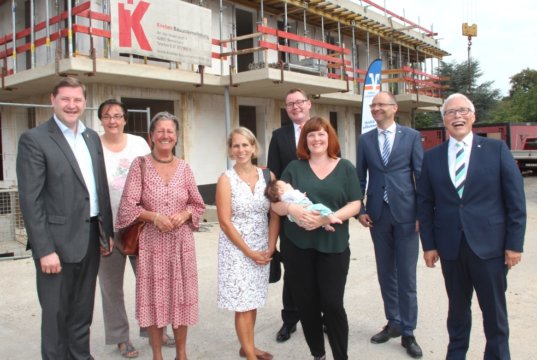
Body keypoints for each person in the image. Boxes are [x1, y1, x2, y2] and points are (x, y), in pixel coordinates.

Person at [417, 93, 526, 359]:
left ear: (473, 116)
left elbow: (515, 201)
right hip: (451, 249)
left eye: (463, 110)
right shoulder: (431, 158)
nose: (457, 116)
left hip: (490, 248)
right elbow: (425, 204)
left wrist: (514, 244)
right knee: (457, 312)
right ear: (443, 120)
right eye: (451, 112)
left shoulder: (495, 150)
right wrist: (429, 245)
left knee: (494, 314)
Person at [16, 76, 114, 359]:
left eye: (77, 100)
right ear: (52, 100)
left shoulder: (91, 136)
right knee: (56, 316)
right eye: (65, 99)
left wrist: (104, 231)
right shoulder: (34, 140)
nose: (72, 105)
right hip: (56, 247)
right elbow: (30, 200)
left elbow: (98, 188)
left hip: (90, 237)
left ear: (84, 102)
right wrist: (44, 249)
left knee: (82, 313)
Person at [115, 111, 206, 360]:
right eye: (160, 131)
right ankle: (157, 355)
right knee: (154, 301)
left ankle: (181, 354)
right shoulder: (140, 165)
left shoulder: (185, 167)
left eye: (170, 131)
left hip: (181, 245)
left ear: (176, 137)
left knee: (181, 298)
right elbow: (127, 207)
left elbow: (198, 204)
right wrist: (154, 217)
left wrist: (185, 215)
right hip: (152, 244)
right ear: (151, 136)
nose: (165, 135)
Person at [271, 116, 362, 360]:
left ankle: (341, 356)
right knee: (306, 305)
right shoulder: (293, 168)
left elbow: (355, 203)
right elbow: (276, 206)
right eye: (311, 135)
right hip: (298, 248)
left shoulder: (345, 168)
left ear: (329, 137)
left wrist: (326, 218)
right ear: (305, 140)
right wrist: (292, 209)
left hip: (333, 246)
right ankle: (318, 354)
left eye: (321, 134)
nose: (316, 139)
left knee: (332, 305)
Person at [356, 91, 423, 358]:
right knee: (386, 273)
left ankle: (408, 332)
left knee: (406, 275)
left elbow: (421, 175)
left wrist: (422, 212)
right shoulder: (365, 140)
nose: (375, 108)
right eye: (373, 105)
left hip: (407, 215)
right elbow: (360, 177)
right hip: (377, 215)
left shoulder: (412, 137)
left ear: (394, 108)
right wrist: (359, 209)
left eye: (381, 104)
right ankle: (393, 322)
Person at [216, 127, 279, 360]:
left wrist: (270, 246)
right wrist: (249, 252)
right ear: (230, 150)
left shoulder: (267, 176)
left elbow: (274, 214)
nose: (241, 150)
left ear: (254, 147)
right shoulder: (226, 179)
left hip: (261, 246)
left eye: (245, 145)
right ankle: (250, 355)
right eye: (236, 146)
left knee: (252, 299)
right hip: (236, 249)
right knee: (242, 303)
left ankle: (247, 347)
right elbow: (224, 222)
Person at [96, 99, 151, 358]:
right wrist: (97, 229)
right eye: (107, 116)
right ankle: (120, 338)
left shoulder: (138, 144)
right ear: (101, 119)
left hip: (138, 225)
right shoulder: (92, 144)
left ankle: (152, 330)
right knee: (111, 287)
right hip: (106, 226)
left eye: (117, 116)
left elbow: (150, 177)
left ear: (125, 119)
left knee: (148, 281)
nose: (113, 121)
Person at [267, 87, 311, 342]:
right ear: (286, 109)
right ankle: (290, 320)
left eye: (299, 102)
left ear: (309, 105)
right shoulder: (279, 136)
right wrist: (281, 202)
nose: (295, 107)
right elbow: (273, 173)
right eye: (290, 104)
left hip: (317, 211)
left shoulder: (321, 130)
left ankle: (321, 317)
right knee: (293, 268)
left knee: (319, 269)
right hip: (288, 211)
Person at [264, 179, 342, 232]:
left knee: (316, 215)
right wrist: (301, 195)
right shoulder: (287, 194)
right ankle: (331, 217)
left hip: (298, 218)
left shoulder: (284, 199)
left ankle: (325, 225)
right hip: (305, 208)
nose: (288, 184)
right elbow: (296, 195)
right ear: (281, 190)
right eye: (285, 184)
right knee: (320, 207)